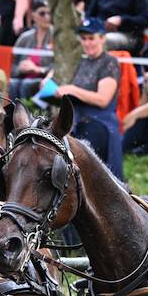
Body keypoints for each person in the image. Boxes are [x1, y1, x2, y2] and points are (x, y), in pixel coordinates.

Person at [50, 17, 123, 179]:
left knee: (87, 172)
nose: (87, 43)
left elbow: (103, 100)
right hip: (78, 120)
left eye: (91, 38)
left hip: (100, 123)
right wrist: (54, 90)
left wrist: (73, 89)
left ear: (102, 38)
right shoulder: (82, 62)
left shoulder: (109, 62)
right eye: (84, 39)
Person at [10, 0, 53, 99]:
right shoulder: (25, 38)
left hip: (45, 80)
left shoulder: (56, 38)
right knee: (11, 84)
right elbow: (11, 63)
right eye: (42, 13)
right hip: (21, 78)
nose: (47, 17)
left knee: (26, 85)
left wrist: (38, 70)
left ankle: (26, 109)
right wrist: (19, 69)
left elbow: (59, 66)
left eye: (49, 13)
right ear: (33, 16)